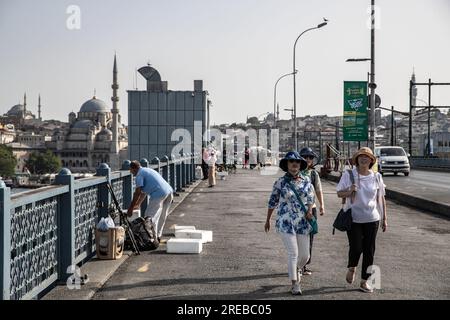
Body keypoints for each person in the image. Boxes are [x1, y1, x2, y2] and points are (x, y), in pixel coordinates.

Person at [336, 147, 387, 293]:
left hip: (372, 218)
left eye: (367, 157)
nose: (364, 159)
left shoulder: (377, 176)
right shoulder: (349, 174)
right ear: (356, 159)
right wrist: (350, 190)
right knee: (356, 247)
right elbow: (340, 193)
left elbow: (381, 199)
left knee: (369, 251)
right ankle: (352, 267)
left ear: (371, 160)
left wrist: (384, 218)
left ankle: (365, 281)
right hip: (354, 218)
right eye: (361, 156)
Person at [265, 151, 315, 295]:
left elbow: (311, 198)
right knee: (293, 253)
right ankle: (295, 283)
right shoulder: (280, 182)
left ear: (300, 165)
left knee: (305, 256)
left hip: (302, 222)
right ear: (286, 165)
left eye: (297, 162)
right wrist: (268, 219)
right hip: (285, 222)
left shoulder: (306, 181)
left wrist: (310, 210)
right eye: (291, 162)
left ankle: (297, 268)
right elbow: (272, 201)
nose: (294, 164)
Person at [127, 160, 174, 241]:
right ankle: (158, 236)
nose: (131, 172)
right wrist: (138, 204)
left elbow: (137, 193)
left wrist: (130, 208)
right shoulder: (147, 170)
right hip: (169, 192)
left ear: (133, 169)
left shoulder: (139, 175)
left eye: (130, 170)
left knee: (149, 217)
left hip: (159, 194)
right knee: (163, 215)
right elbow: (143, 193)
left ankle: (152, 238)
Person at [299, 147, 325, 276]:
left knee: (310, 236)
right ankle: (296, 263)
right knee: (297, 237)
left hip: (311, 208)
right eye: (305, 157)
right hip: (296, 210)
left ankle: (304, 265)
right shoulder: (294, 171)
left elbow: (318, 190)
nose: (308, 159)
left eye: (310, 157)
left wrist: (322, 205)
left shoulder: (314, 174)